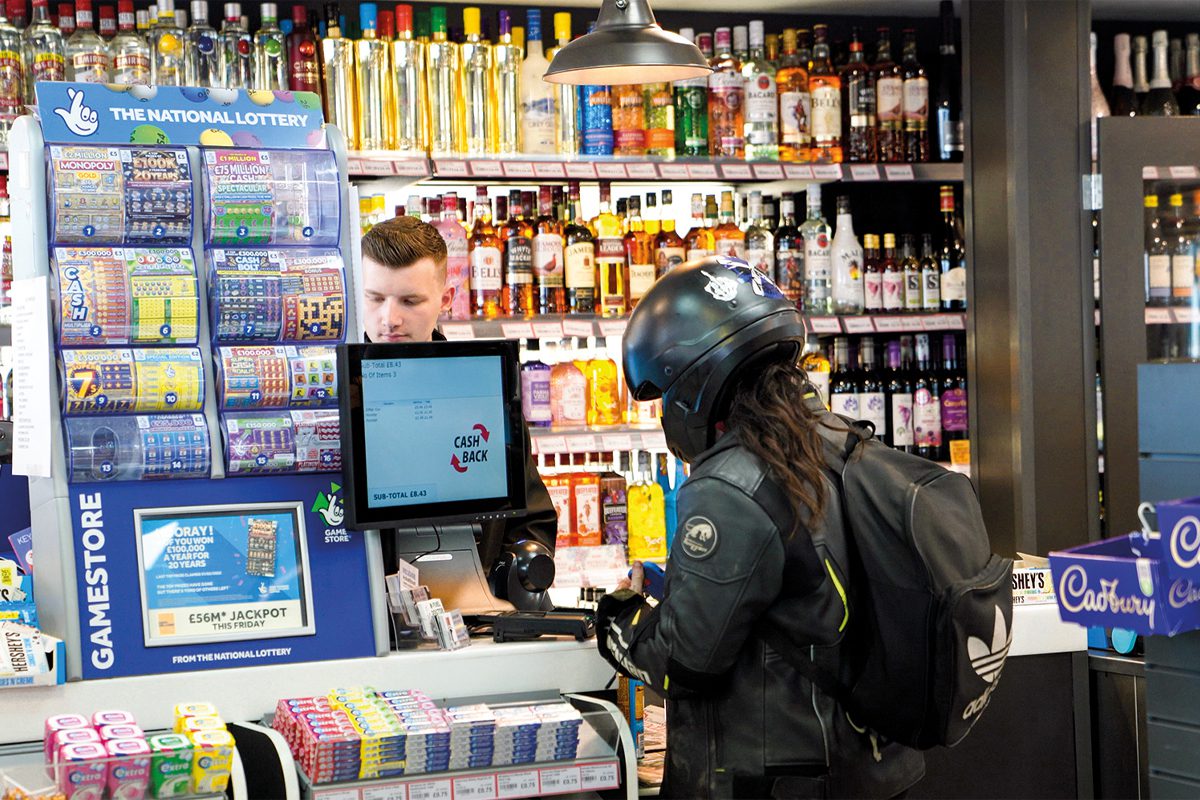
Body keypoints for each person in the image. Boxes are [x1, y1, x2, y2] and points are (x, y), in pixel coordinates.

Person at [596, 256, 924, 799]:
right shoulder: (839, 440)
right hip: (871, 768)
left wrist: (618, 619)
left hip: (777, 779)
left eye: (664, 394)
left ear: (694, 378)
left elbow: (685, 661)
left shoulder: (730, 485)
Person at [359, 215, 557, 571]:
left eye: (409, 301)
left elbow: (532, 520)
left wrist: (510, 583)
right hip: (366, 611)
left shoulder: (484, 391)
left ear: (446, 299)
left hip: (470, 615)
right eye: (374, 298)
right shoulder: (330, 395)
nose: (389, 318)